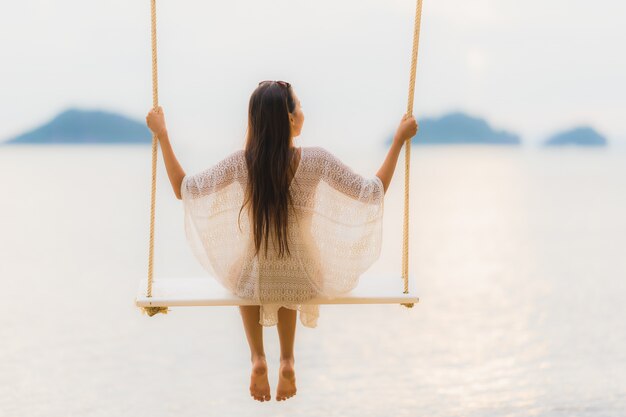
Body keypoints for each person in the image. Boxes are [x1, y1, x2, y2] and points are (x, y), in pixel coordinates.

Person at [146, 80, 417, 402]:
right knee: (290, 274)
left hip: (254, 278)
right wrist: (399, 140)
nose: (303, 111)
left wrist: (162, 134)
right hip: (305, 275)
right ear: (290, 118)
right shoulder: (317, 160)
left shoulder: (240, 163)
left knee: (246, 273)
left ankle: (257, 357)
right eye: (299, 106)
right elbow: (373, 192)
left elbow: (183, 188)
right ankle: (287, 359)